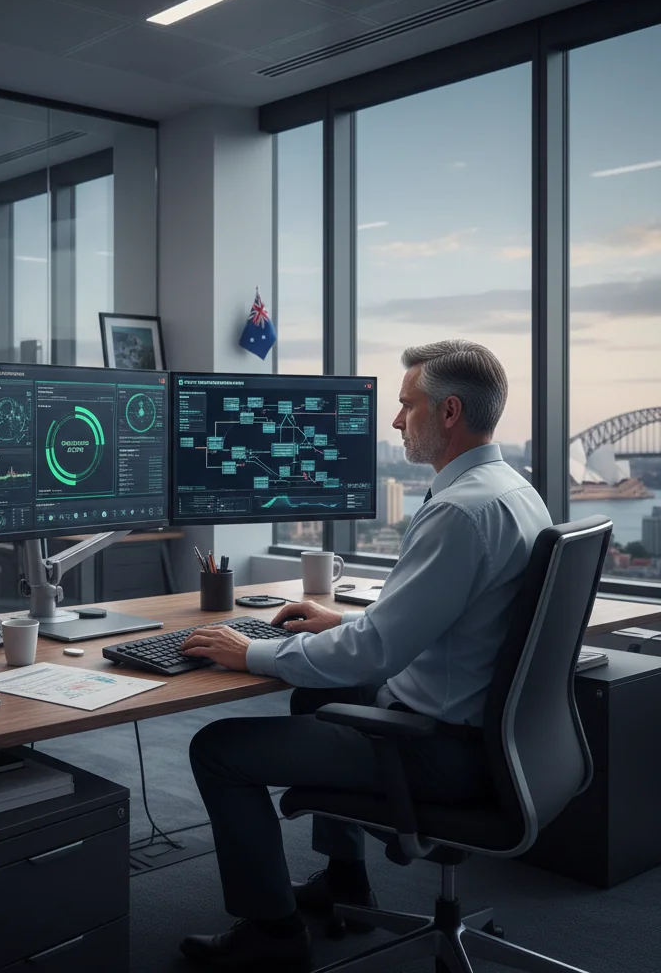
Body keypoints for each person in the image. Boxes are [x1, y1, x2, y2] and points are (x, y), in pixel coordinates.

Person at [176, 340, 552, 971]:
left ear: (450, 411)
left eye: (408, 406)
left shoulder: (460, 513)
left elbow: (373, 654)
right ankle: (346, 880)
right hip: (493, 735)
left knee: (215, 750)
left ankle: (271, 936)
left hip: (439, 751)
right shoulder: (512, 490)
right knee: (318, 693)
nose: (397, 421)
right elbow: (440, 623)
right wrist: (344, 623)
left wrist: (250, 655)